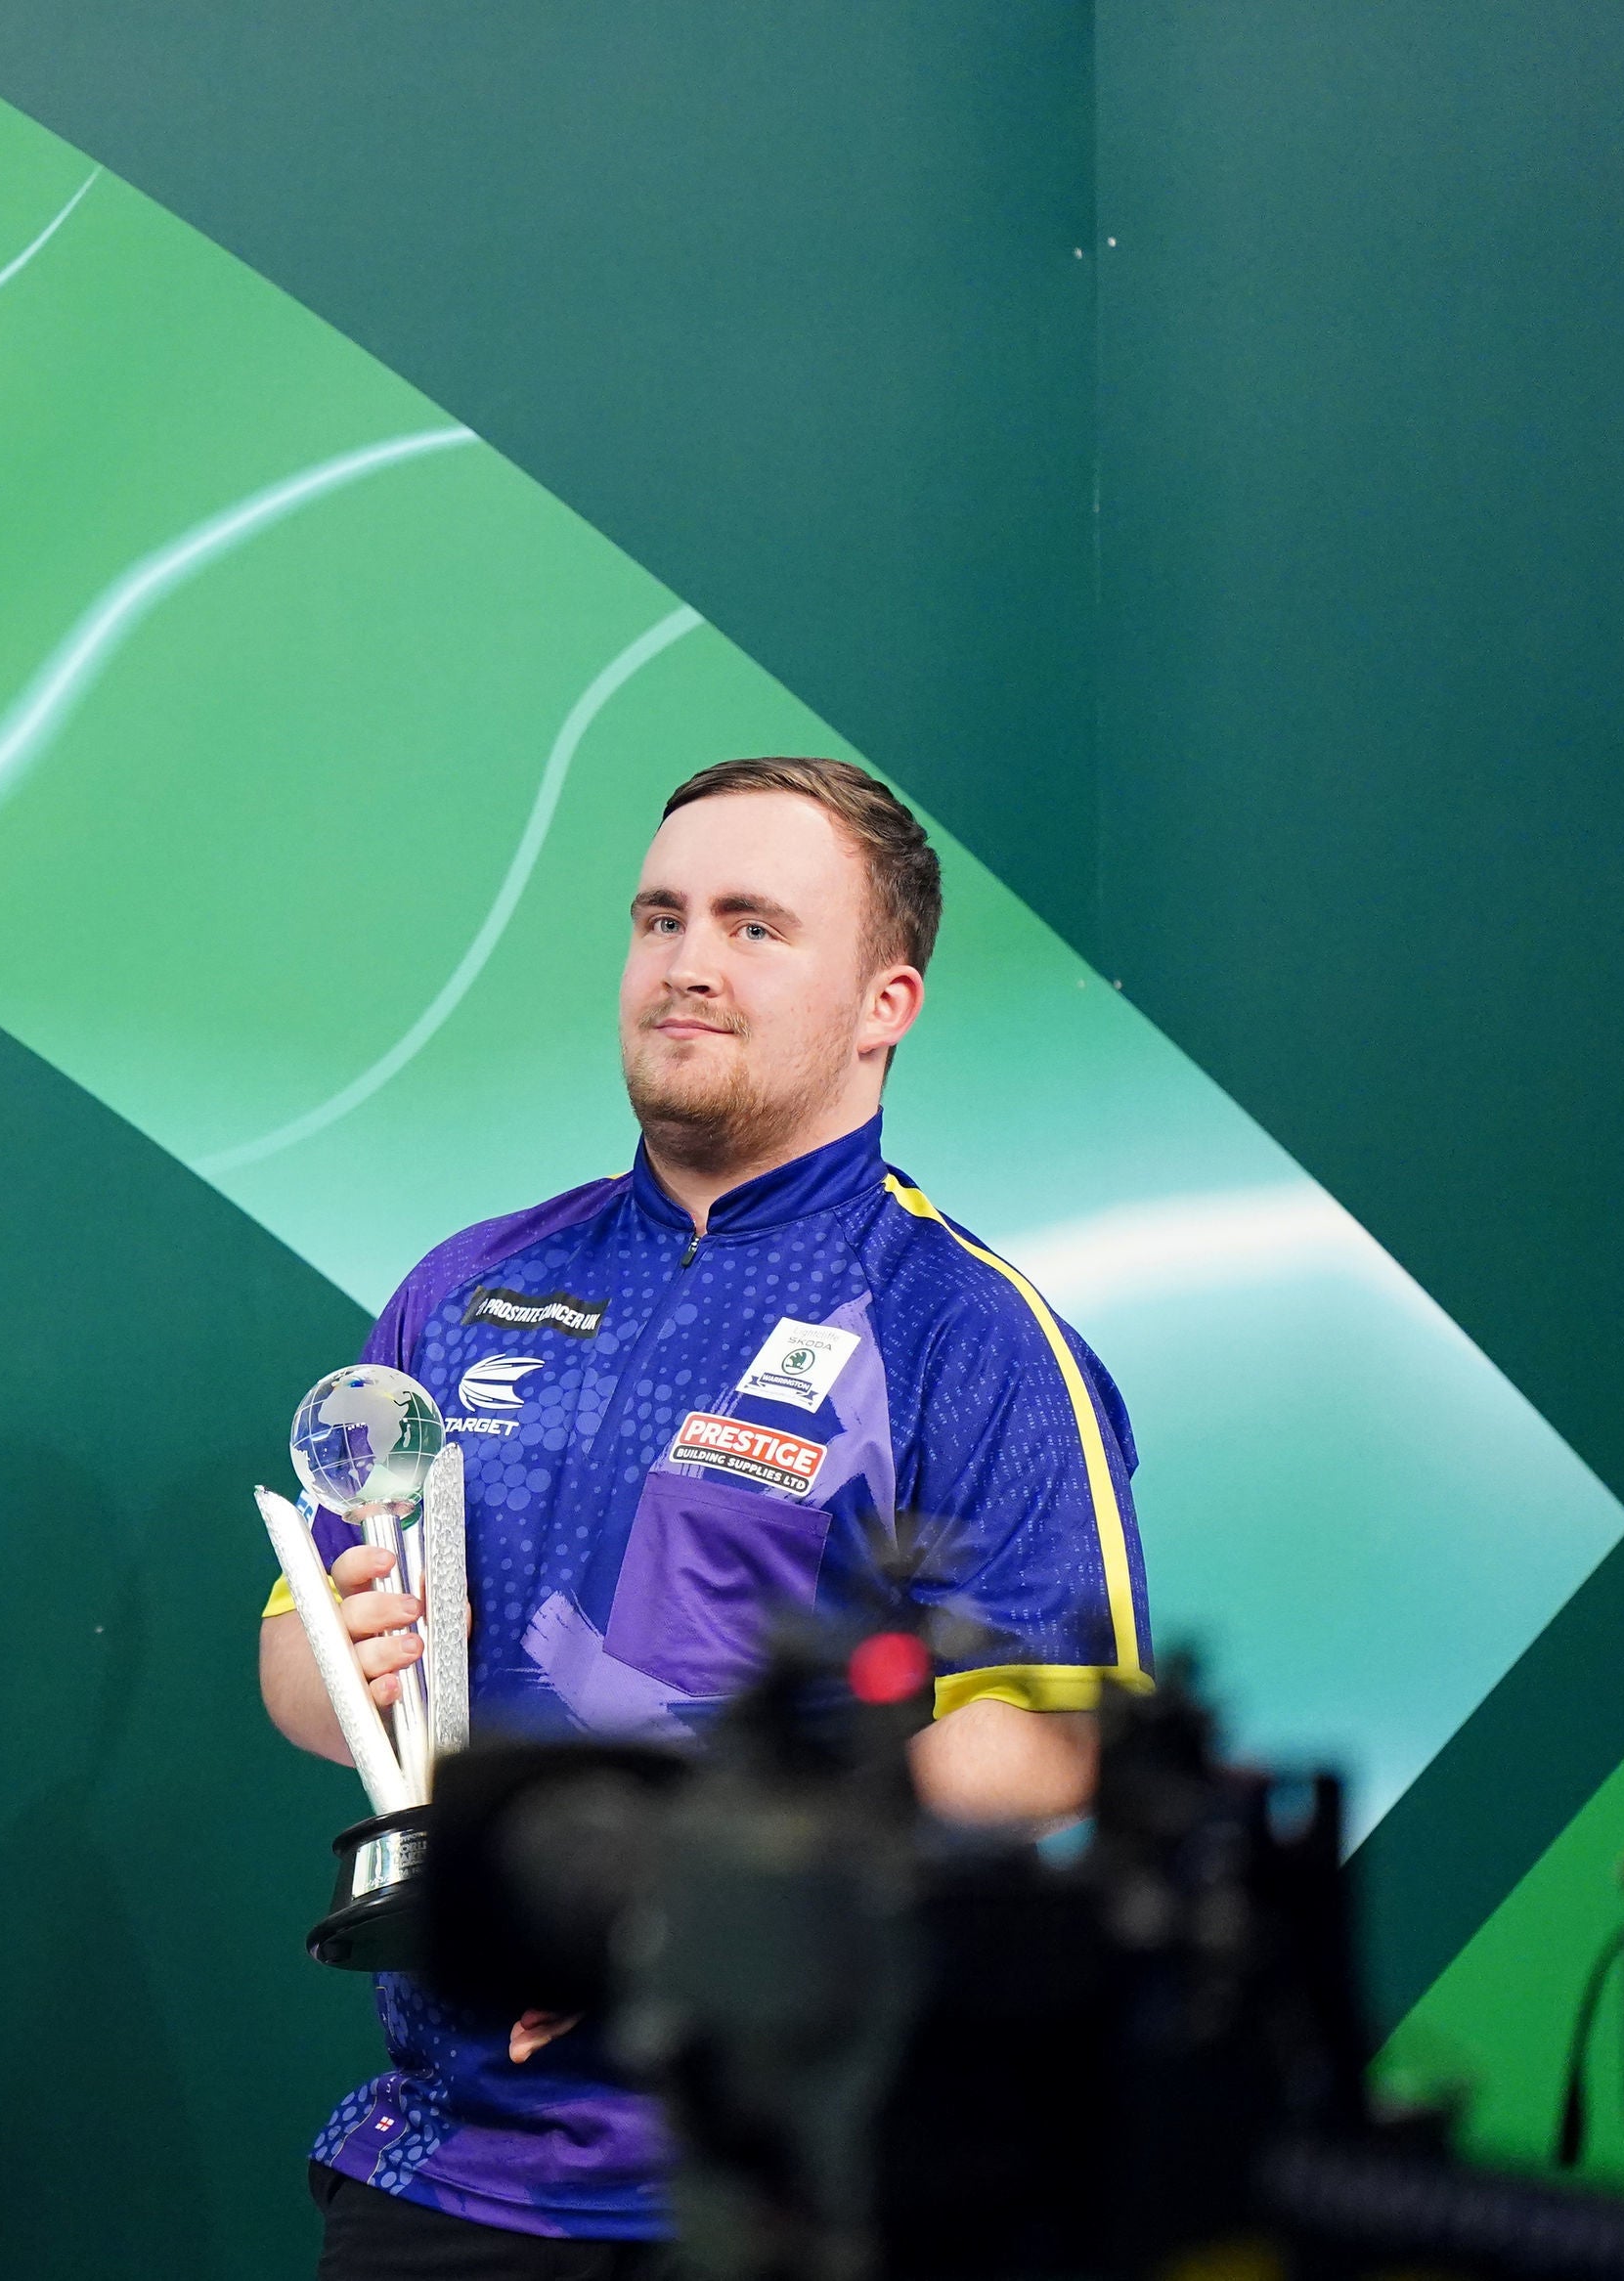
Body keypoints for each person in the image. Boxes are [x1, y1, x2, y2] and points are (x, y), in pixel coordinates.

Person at [258, 756, 1147, 2277]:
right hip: (441, 2174)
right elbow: (304, 1678)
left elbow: (1044, 1740)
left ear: (888, 1003)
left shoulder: (966, 1330)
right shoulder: (459, 1291)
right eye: (660, 917)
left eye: (754, 926)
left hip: (793, 2191)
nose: (686, 964)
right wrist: (337, 1651)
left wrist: (696, 1905)